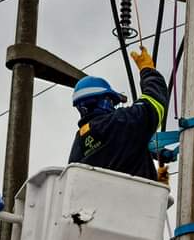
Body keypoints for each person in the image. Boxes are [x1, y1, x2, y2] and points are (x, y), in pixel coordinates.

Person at [69, 46, 168, 181]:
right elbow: (154, 104)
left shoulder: (79, 143)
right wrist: (148, 70)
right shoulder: (118, 121)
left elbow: (114, 156)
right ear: (105, 100)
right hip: (136, 199)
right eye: (113, 102)